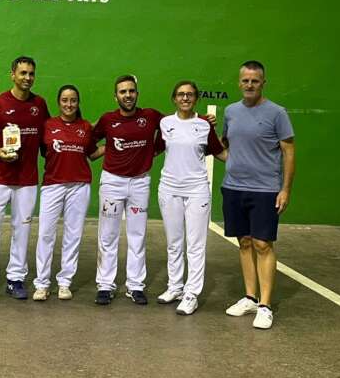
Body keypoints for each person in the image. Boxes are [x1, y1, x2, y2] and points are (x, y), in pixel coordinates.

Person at [221, 61, 295, 330]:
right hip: (233, 187)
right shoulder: (230, 112)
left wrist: (285, 189)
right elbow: (227, 145)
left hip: (265, 190)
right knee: (244, 242)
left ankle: (265, 306)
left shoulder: (277, 113)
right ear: (239, 82)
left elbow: (289, 152)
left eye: (255, 80)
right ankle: (250, 298)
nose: (249, 85)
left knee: (263, 244)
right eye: (245, 80)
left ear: (263, 83)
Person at [0, 56, 48, 303]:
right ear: (12, 75)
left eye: (31, 73)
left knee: (22, 230)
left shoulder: (40, 104)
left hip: (27, 179)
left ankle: (16, 278)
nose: (27, 77)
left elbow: (46, 143)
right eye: (23, 73)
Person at [90, 75, 163, 305]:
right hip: (112, 183)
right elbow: (89, 140)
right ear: (116, 97)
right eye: (123, 92)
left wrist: (154, 150)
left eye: (131, 91)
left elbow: (176, 124)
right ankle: (105, 285)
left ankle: (135, 285)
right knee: (108, 235)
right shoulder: (107, 119)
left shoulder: (150, 116)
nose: (128, 95)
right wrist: (105, 149)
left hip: (140, 183)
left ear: (137, 94)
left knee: (137, 235)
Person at [156, 81, 226, 315]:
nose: (185, 98)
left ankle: (191, 294)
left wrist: (247, 158)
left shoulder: (204, 124)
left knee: (195, 245)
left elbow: (220, 152)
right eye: (181, 94)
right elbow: (154, 149)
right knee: (174, 243)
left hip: (197, 190)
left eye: (189, 95)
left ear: (196, 98)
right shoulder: (165, 123)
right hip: (169, 189)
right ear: (174, 98)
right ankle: (175, 287)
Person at [33, 85, 102, 301]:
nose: (69, 104)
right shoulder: (48, 125)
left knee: (73, 235)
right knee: (45, 234)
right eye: (65, 100)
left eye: (73, 100)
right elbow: (41, 150)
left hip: (79, 187)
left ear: (78, 102)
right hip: (52, 185)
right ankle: (42, 284)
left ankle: (64, 282)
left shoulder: (85, 127)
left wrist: (119, 145)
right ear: (59, 102)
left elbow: (92, 153)